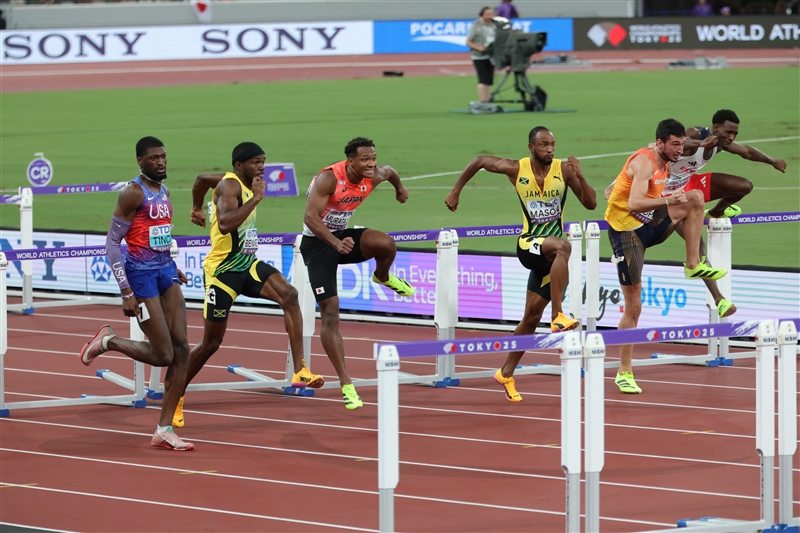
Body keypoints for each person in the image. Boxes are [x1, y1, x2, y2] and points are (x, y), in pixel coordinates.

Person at [172, 142, 323, 428]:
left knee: (290, 295)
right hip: (222, 273)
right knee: (211, 343)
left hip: (247, 264)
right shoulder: (230, 188)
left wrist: (195, 207)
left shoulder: (232, 179)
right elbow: (227, 224)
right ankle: (176, 394)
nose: (262, 167)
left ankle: (300, 370)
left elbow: (200, 180)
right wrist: (256, 199)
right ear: (239, 165)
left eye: (264, 161)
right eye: (256, 162)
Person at [445, 127, 597, 402]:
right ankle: (558, 316)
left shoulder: (564, 171)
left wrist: (581, 177)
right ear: (531, 147)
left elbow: (590, 204)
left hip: (551, 260)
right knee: (565, 245)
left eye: (552, 144)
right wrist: (456, 191)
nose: (549, 149)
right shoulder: (516, 168)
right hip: (529, 245)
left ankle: (506, 372)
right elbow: (480, 161)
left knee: (530, 319)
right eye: (543, 145)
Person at [79, 136, 193, 451]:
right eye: (154, 158)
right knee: (163, 354)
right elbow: (112, 244)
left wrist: (172, 263)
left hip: (165, 271)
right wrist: (125, 290)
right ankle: (108, 341)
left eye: (164, 156)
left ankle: (164, 428)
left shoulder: (165, 191)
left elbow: (161, 235)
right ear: (140, 161)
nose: (161, 162)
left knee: (182, 348)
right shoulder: (132, 192)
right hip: (140, 277)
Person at [604, 119, 727, 395]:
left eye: (682, 144)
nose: (680, 149)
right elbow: (634, 203)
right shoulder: (646, 161)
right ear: (660, 143)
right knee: (634, 306)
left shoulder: (665, 160)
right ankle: (624, 371)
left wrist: (616, 189)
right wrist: (669, 200)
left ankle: (693, 263)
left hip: (649, 224)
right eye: (675, 144)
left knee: (694, 197)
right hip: (627, 235)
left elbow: (614, 190)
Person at [301, 137, 414, 410]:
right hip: (317, 246)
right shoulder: (329, 179)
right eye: (364, 159)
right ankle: (346, 383)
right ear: (349, 161)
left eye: (373, 158)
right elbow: (310, 218)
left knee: (386, 244)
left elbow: (390, 172)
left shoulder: (373, 175)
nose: (371, 163)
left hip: (343, 238)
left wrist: (400, 189)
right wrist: (336, 244)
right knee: (330, 313)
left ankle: (383, 277)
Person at [466, 7, 496, 104]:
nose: (490, 16)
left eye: (490, 14)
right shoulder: (475, 26)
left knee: (489, 79)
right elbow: (468, 42)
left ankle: (486, 100)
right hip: (479, 56)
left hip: (490, 55)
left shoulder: (493, 25)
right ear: (482, 15)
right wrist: (478, 48)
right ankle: (482, 100)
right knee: (482, 79)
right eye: (487, 14)